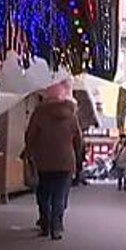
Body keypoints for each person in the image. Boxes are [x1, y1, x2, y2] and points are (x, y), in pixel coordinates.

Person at [22, 81, 83, 240]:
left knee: (43, 194)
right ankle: (56, 227)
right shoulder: (71, 115)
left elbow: (30, 136)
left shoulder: (39, 113)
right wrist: (76, 155)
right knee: (59, 195)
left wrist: (30, 150)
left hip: (43, 161)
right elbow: (78, 140)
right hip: (65, 162)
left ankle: (45, 225)